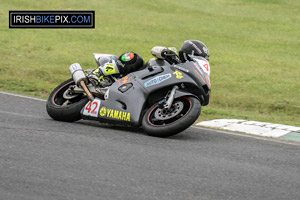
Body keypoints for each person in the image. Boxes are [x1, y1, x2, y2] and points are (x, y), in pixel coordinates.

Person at [88, 40, 210, 84]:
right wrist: (167, 53)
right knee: (135, 58)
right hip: (140, 74)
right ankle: (98, 73)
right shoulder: (173, 53)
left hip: (153, 84)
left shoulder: (187, 73)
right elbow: (155, 49)